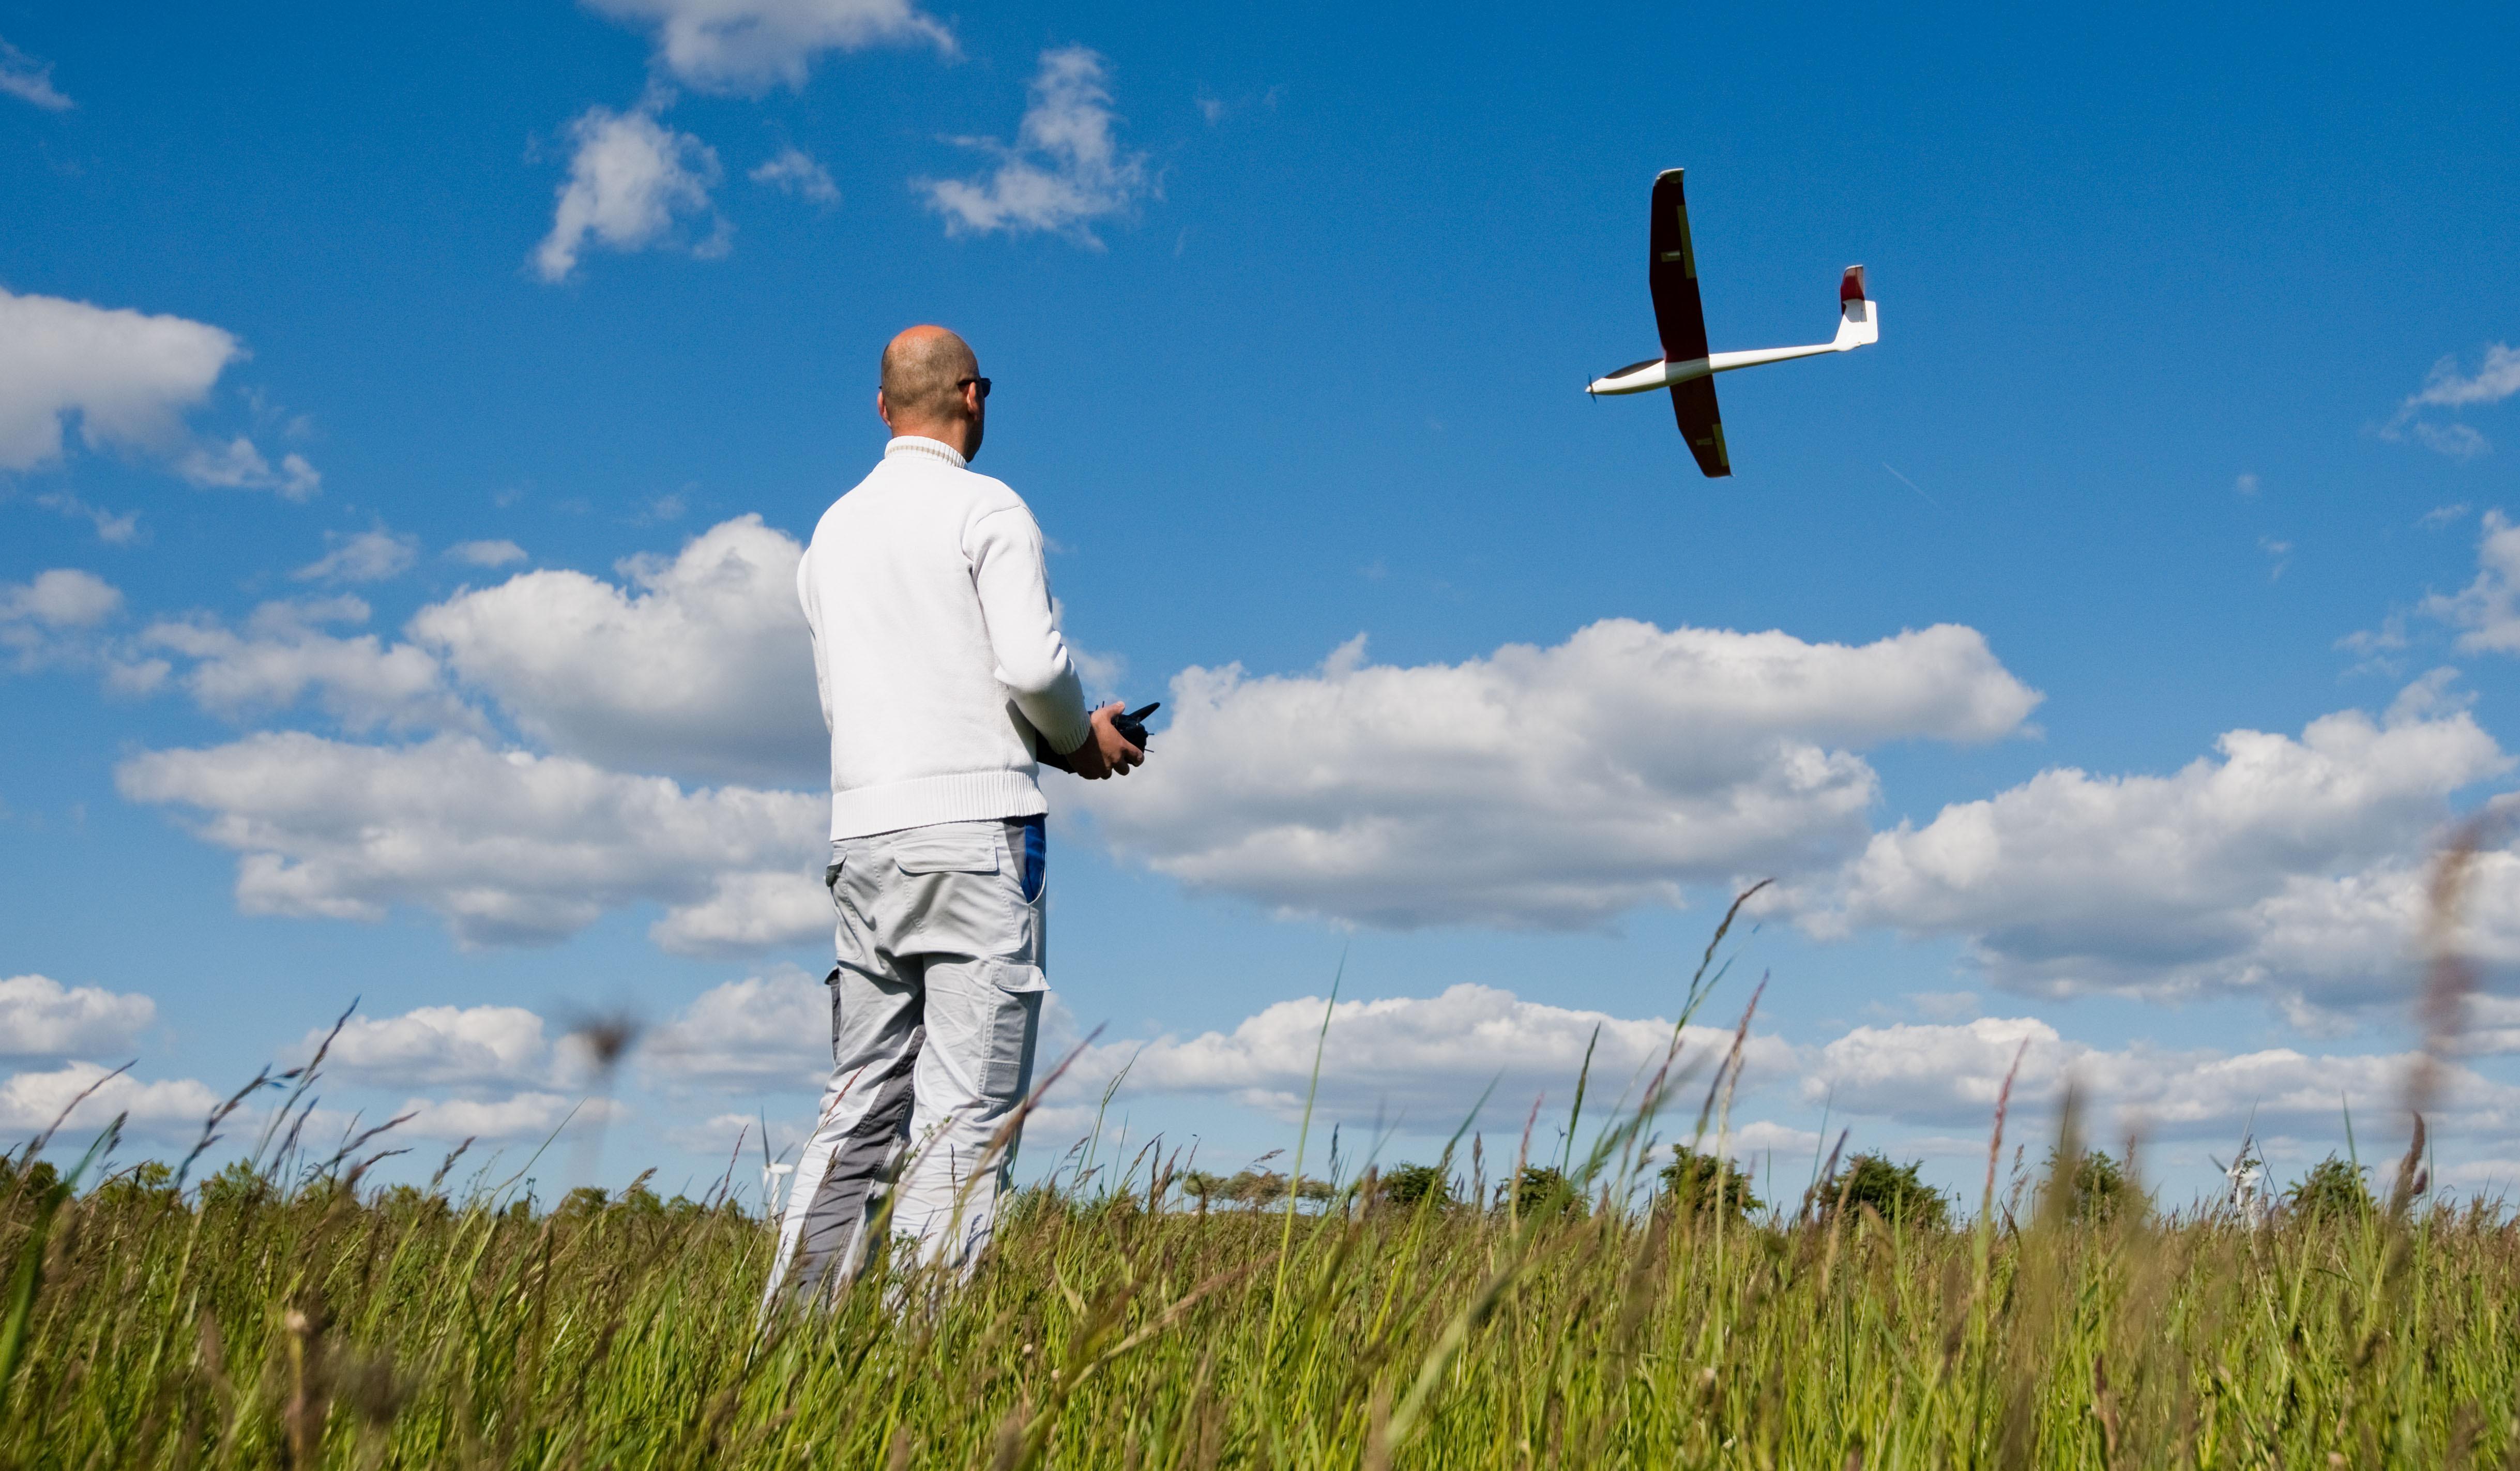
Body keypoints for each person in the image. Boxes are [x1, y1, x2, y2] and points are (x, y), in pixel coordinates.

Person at [763, 326, 1144, 1310]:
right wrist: (1080, 740)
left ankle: (784, 1340)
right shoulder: (987, 506)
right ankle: (916, 1352)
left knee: (857, 1103)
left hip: (862, 837)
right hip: (977, 837)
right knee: (965, 1115)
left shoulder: (831, 531)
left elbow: (855, 699)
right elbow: (1032, 669)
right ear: (974, 395)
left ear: (881, 407)